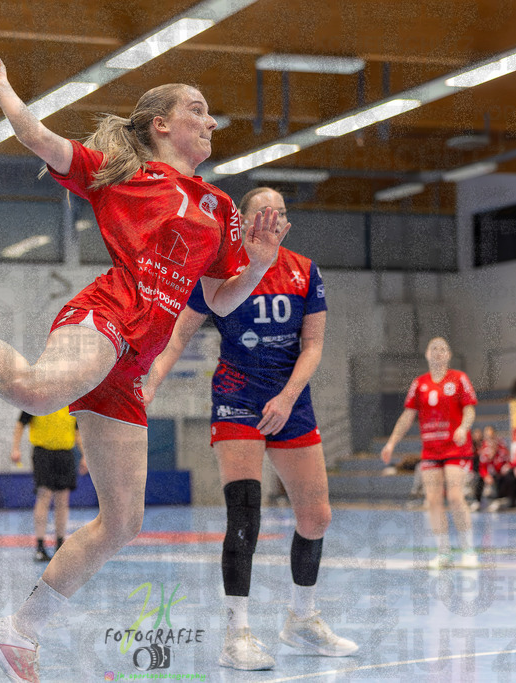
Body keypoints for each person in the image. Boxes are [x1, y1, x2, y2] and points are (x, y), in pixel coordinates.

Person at [0, 51, 287, 683]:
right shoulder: (123, 174)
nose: (210, 121)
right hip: (107, 313)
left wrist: (258, 259)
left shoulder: (221, 207)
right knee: (35, 390)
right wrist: (3, 83)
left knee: (123, 521)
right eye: (197, 109)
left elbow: (220, 298)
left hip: (134, 360)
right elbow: (39, 138)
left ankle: (17, 630)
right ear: (161, 124)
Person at [143, 187, 357, 671]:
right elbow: (179, 333)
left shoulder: (305, 270)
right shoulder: (220, 270)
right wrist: (154, 376)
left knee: (316, 517)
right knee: (245, 514)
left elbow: (314, 344)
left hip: (290, 401)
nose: (273, 220)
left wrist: (287, 396)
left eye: (280, 213)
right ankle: (236, 633)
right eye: (263, 212)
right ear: (240, 221)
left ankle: (302, 620)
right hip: (237, 398)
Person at [381, 337, 479, 569]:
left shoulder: (459, 379)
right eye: (433, 348)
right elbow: (407, 416)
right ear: (426, 354)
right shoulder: (419, 383)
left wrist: (464, 428)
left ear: (449, 354)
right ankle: (443, 552)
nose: (438, 352)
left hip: (456, 448)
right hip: (431, 450)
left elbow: (469, 410)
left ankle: (468, 550)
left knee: (455, 497)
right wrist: (391, 443)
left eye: (442, 348)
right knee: (433, 501)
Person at [11, 407, 87, 562]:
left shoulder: (71, 402)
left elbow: (76, 431)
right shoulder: (37, 400)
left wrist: (85, 455)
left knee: (62, 500)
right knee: (44, 496)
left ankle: (60, 544)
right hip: (43, 453)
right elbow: (21, 423)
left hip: (65, 453)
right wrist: (15, 448)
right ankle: (40, 546)